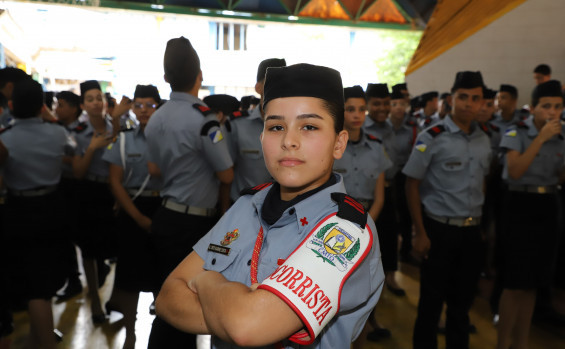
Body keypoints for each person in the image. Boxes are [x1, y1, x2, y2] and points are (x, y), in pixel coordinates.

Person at [155, 62, 383, 348]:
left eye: (309, 127)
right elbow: (167, 297)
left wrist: (207, 283)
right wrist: (234, 308)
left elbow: (247, 328)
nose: (289, 141)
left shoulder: (346, 232)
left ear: (339, 143)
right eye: (276, 127)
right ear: (262, 137)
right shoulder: (246, 206)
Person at [144, 36, 233, 348]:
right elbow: (227, 173)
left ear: (166, 79)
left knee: (168, 299)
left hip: (165, 216)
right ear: (200, 75)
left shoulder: (155, 118)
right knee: (183, 308)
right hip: (193, 225)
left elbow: (154, 170)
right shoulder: (204, 120)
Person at [403, 71, 492, 349]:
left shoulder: (484, 139)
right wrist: (419, 232)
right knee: (431, 303)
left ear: (481, 103)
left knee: (462, 304)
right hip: (439, 230)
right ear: (452, 99)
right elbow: (411, 184)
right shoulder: (433, 136)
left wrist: (481, 227)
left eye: (475, 98)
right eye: (462, 97)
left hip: (471, 231)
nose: (468, 103)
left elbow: (483, 183)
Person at [0, 79, 73, 349]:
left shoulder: (4, 138)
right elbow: (74, 152)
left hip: (19, 212)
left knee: (33, 288)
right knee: (45, 282)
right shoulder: (58, 134)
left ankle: (42, 342)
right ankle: (37, 338)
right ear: (43, 107)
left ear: (10, 105)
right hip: (54, 209)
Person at [496, 80, 564, 349]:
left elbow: (559, 176)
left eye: (558, 107)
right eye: (546, 106)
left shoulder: (562, 135)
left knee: (534, 281)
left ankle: (521, 343)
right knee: (514, 282)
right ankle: (502, 343)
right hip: (519, 205)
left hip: (548, 204)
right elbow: (515, 171)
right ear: (533, 108)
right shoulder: (517, 132)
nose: (552, 112)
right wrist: (541, 138)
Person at [103, 84, 162, 349]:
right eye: (138, 105)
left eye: (150, 105)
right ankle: (130, 333)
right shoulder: (125, 138)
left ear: (159, 106)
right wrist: (137, 217)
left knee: (163, 277)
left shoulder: (169, 137)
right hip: (132, 210)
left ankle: (160, 334)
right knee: (129, 280)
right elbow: (114, 182)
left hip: (163, 208)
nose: (144, 111)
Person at [334, 85, 391, 346]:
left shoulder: (376, 147)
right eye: (350, 109)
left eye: (361, 109)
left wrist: (365, 227)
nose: (357, 115)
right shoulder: (331, 146)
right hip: (333, 225)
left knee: (363, 289)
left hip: (367, 224)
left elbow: (379, 197)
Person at [71, 80, 116, 324]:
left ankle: (112, 297)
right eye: (90, 99)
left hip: (112, 190)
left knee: (110, 247)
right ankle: (96, 303)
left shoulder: (116, 126)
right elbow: (77, 172)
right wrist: (92, 147)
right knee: (88, 249)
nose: (96, 102)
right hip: (88, 192)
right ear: (83, 105)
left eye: (99, 97)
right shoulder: (78, 132)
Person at [228, 58, 286, 202]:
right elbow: (227, 174)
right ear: (258, 87)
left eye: (282, 84)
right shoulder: (238, 125)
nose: (277, 89)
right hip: (244, 208)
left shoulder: (294, 126)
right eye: (271, 83)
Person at [53, 91, 84, 302]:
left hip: (77, 185)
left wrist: (57, 157)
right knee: (65, 236)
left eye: (61, 105)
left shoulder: (80, 131)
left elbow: (78, 161)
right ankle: (73, 278)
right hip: (61, 185)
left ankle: (95, 270)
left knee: (80, 232)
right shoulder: (55, 129)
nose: (57, 108)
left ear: (74, 108)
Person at [388, 88, 420, 266]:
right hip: (387, 177)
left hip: (407, 175)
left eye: (401, 104)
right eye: (394, 104)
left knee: (407, 214)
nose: (398, 108)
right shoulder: (384, 126)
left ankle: (406, 249)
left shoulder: (414, 127)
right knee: (391, 215)